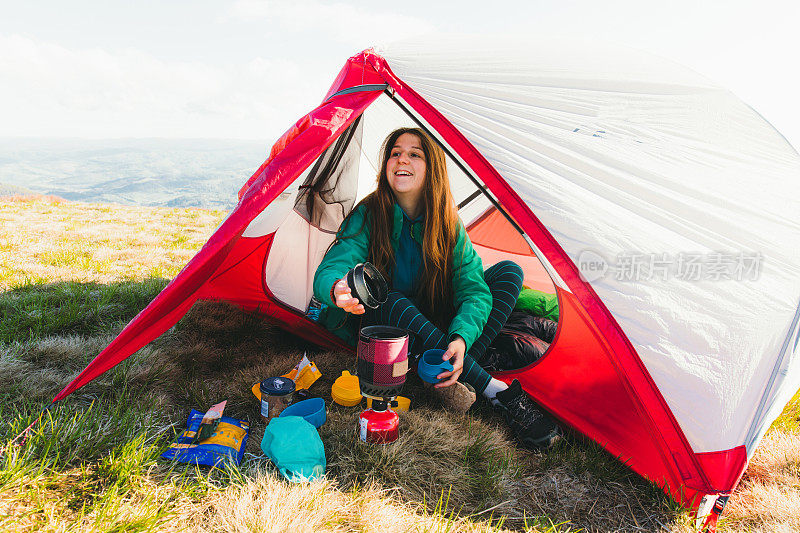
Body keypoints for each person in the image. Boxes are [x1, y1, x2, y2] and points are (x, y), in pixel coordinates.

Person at [313, 127, 558, 449]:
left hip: (434, 321)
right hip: (388, 330)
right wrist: (337, 288)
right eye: (395, 152)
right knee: (392, 298)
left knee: (509, 272)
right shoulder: (369, 213)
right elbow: (333, 266)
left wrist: (460, 337)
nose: (402, 159)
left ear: (432, 168)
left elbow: (473, 289)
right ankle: (493, 390)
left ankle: (452, 364)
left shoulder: (446, 221)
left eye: (415, 154)